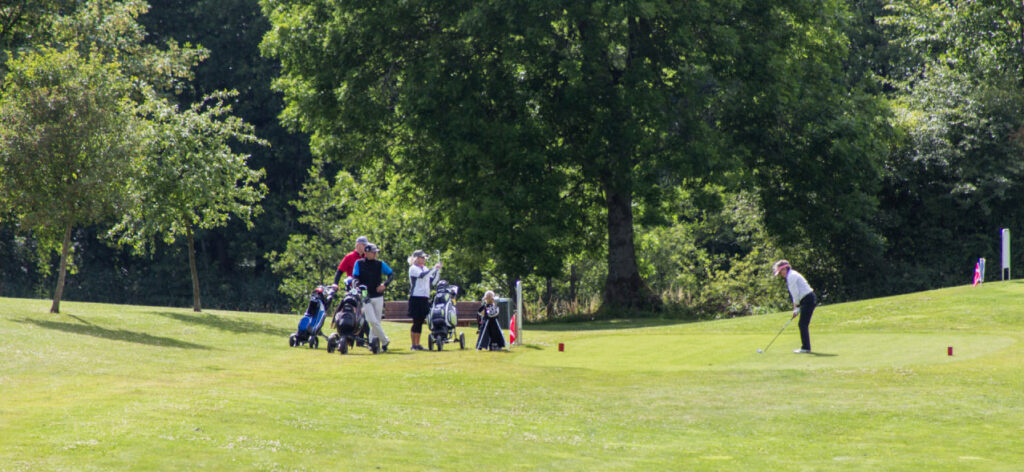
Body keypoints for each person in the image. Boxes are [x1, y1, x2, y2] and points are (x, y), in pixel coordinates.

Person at [352, 244, 394, 351]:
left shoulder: (380, 264)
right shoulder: (359, 263)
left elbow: (391, 274)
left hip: (378, 296)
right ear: (366, 253)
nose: (375, 254)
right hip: (365, 294)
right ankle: (385, 341)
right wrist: (358, 288)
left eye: (376, 252)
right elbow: (355, 277)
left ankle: (372, 343)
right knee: (372, 320)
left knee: (377, 322)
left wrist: (384, 285)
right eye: (373, 252)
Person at [773, 259, 817, 353]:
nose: (781, 274)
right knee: (803, 324)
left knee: (802, 324)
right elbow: (795, 295)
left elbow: (795, 294)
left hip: (808, 299)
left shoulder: (791, 276)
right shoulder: (791, 274)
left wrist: (796, 308)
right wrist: (796, 308)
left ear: (785, 268)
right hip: (807, 299)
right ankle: (806, 347)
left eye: (781, 271)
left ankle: (806, 348)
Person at [407, 250, 441, 351]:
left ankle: (418, 344)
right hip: (416, 297)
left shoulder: (425, 268)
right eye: (422, 258)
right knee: (416, 321)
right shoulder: (413, 268)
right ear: (416, 258)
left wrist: (437, 271)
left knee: (420, 321)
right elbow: (422, 276)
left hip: (424, 297)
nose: (424, 259)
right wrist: (434, 269)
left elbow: (432, 281)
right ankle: (414, 345)